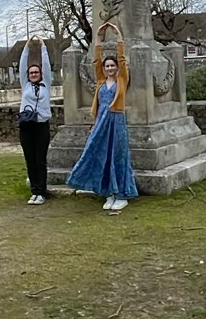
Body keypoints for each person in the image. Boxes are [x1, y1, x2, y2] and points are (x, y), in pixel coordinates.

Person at [67, 21, 138, 212]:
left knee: (118, 156)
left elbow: (122, 61)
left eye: (112, 65)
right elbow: (96, 62)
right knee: (100, 155)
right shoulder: (100, 80)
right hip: (101, 122)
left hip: (117, 121)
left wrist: (119, 38)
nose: (109, 68)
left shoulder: (122, 80)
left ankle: (121, 194)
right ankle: (108, 192)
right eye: (107, 66)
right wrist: (97, 39)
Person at [18, 35, 52, 205]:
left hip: (41, 126)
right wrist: (26, 47)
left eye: (36, 72)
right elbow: (22, 65)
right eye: (31, 72)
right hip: (27, 126)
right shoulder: (26, 85)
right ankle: (34, 191)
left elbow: (46, 66)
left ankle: (42, 191)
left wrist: (43, 47)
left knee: (40, 159)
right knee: (30, 159)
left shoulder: (46, 83)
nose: (33, 74)